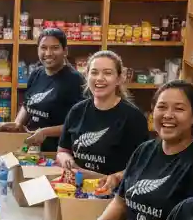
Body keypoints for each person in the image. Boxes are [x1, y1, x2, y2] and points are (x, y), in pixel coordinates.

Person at [87, 80, 193, 220]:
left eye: (179, 109)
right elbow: (121, 201)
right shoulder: (144, 150)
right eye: (162, 107)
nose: (168, 115)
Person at [57, 50, 149, 188]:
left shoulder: (133, 118)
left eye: (107, 73)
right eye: (94, 72)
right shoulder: (77, 111)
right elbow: (62, 151)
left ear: (119, 79)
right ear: (86, 76)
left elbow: (142, 167)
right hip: (75, 189)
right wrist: (66, 160)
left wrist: (112, 178)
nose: (99, 78)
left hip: (112, 195)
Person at [0, 28, 84, 152]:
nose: (48, 53)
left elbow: (79, 123)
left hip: (58, 152)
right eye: (43, 48)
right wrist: (18, 123)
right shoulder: (36, 73)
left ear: (65, 51)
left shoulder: (75, 80)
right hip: (30, 148)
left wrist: (45, 132)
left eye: (55, 48)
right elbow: (28, 104)